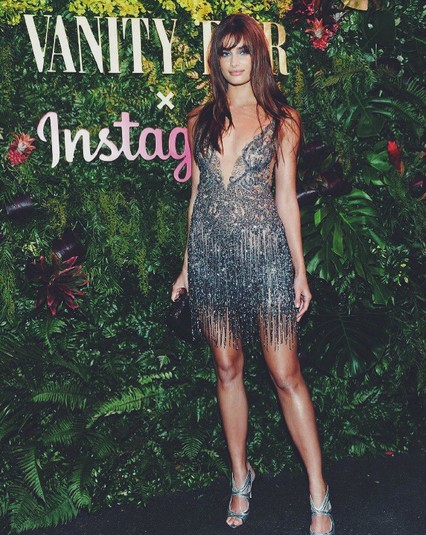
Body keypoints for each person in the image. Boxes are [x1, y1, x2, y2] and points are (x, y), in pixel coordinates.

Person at [170, 13, 335, 535]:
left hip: (265, 256)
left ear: (257, 55)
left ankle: (318, 488)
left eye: (243, 50)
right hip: (210, 256)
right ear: (215, 59)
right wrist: (186, 267)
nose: (234, 61)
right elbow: (197, 196)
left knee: (286, 373)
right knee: (226, 367)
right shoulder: (199, 119)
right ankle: (241, 476)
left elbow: (286, 200)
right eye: (225, 51)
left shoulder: (283, 120)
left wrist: (299, 272)